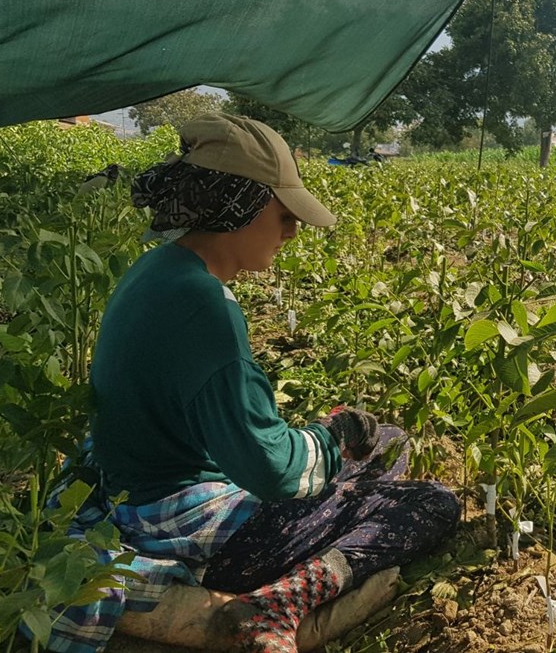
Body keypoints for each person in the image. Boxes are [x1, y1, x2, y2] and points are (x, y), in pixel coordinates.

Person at [44, 113, 459, 653]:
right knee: (429, 503)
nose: (290, 232)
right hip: (188, 522)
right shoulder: (205, 310)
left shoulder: (157, 271)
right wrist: (330, 437)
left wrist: (329, 439)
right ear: (239, 207)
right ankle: (280, 602)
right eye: (285, 216)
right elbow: (270, 470)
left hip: (137, 488)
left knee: (390, 442)